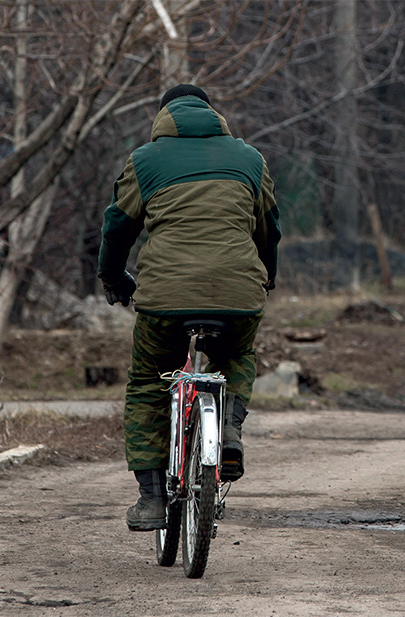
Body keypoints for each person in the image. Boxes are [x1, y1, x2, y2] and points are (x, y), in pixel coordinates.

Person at [98, 84, 281, 531]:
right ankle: (230, 431)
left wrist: (113, 278)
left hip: (165, 299)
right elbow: (269, 230)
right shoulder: (250, 159)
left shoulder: (145, 160)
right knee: (236, 354)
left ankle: (151, 499)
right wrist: (265, 279)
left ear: (163, 117)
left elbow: (117, 228)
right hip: (238, 293)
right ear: (213, 114)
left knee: (147, 381)